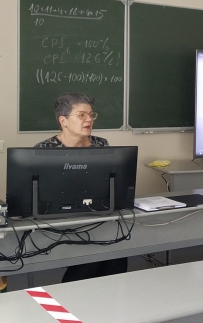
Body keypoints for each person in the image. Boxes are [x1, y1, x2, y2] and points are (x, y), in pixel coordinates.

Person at [35, 92, 127, 282]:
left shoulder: (101, 145)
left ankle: (110, 296)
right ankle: (75, 296)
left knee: (117, 252)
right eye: (81, 115)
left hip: (97, 215)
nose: (89, 120)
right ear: (63, 121)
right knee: (91, 257)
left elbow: (110, 182)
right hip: (60, 220)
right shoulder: (45, 149)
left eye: (91, 115)